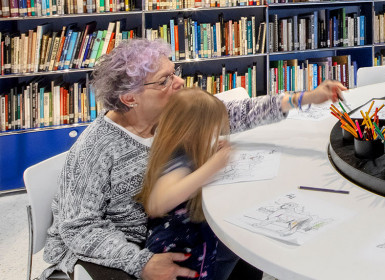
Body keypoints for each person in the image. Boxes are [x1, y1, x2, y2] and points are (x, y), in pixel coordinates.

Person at [44, 38, 347, 280]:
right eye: (163, 81)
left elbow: (234, 113)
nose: (177, 83)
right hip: (113, 251)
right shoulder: (96, 148)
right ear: (130, 98)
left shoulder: (171, 115)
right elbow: (78, 228)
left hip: (165, 230)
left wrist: (305, 98)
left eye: (174, 72)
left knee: (243, 244)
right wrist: (140, 263)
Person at [138, 90, 233, 280]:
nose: (217, 135)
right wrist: (211, 167)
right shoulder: (177, 158)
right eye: (213, 131)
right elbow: (158, 203)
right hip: (180, 254)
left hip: (196, 246)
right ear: (193, 132)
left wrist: (207, 153)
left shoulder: (181, 148)